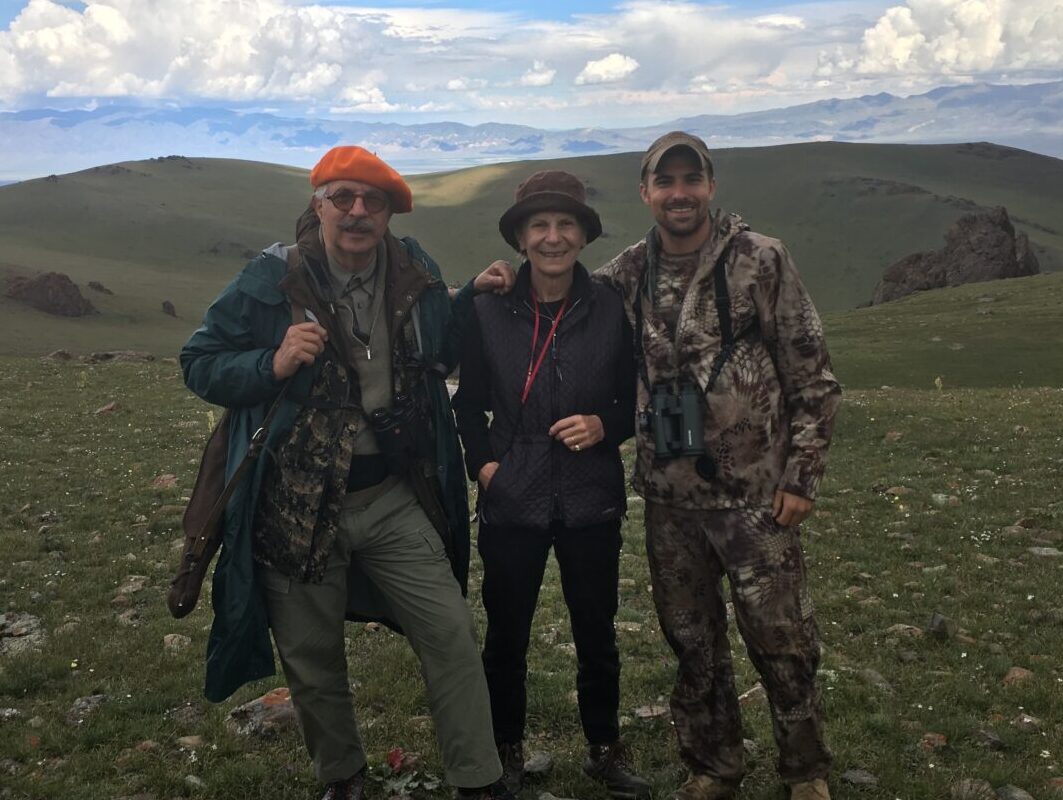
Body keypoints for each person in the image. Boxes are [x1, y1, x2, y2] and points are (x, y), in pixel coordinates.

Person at [180, 145, 514, 800]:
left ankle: (479, 780)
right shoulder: (272, 278)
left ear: (388, 213)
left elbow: (441, 344)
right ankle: (342, 776)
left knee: (449, 631)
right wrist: (270, 364)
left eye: (373, 200)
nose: (358, 211)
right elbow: (199, 361)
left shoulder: (413, 268)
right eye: (343, 197)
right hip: (296, 505)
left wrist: (470, 295)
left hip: (392, 496)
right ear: (318, 205)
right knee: (310, 655)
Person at [591, 132, 841, 800]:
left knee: (783, 640)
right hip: (669, 499)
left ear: (711, 185)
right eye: (664, 181)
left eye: (690, 179)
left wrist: (802, 477)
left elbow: (812, 376)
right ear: (644, 192)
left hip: (757, 498)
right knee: (692, 642)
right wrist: (492, 285)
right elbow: (558, 299)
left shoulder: (760, 259)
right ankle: (713, 766)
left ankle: (805, 771)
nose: (679, 194)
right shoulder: (626, 272)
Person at [451, 171, 648, 800]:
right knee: (506, 634)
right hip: (513, 497)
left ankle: (604, 748)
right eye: (539, 225)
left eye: (566, 224)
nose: (553, 237)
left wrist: (605, 424)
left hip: (592, 497)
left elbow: (633, 398)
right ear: (520, 237)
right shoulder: (487, 310)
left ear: (584, 236)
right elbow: (467, 406)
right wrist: (485, 469)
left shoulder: (612, 308)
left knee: (597, 631)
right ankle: (505, 748)